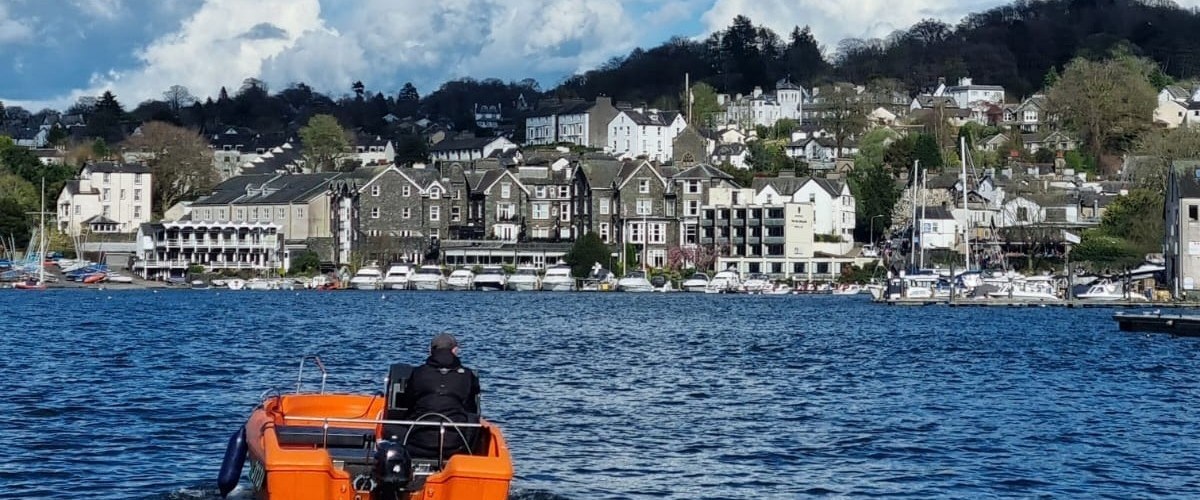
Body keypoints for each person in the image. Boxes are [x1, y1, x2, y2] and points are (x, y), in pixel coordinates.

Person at [404, 332, 481, 458]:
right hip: (455, 444)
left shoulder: (417, 373)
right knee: (473, 418)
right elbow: (472, 407)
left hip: (419, 441)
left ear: (430, 351)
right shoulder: (468, 376)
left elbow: (407, 403)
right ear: (455, 351)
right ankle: (471, 456)